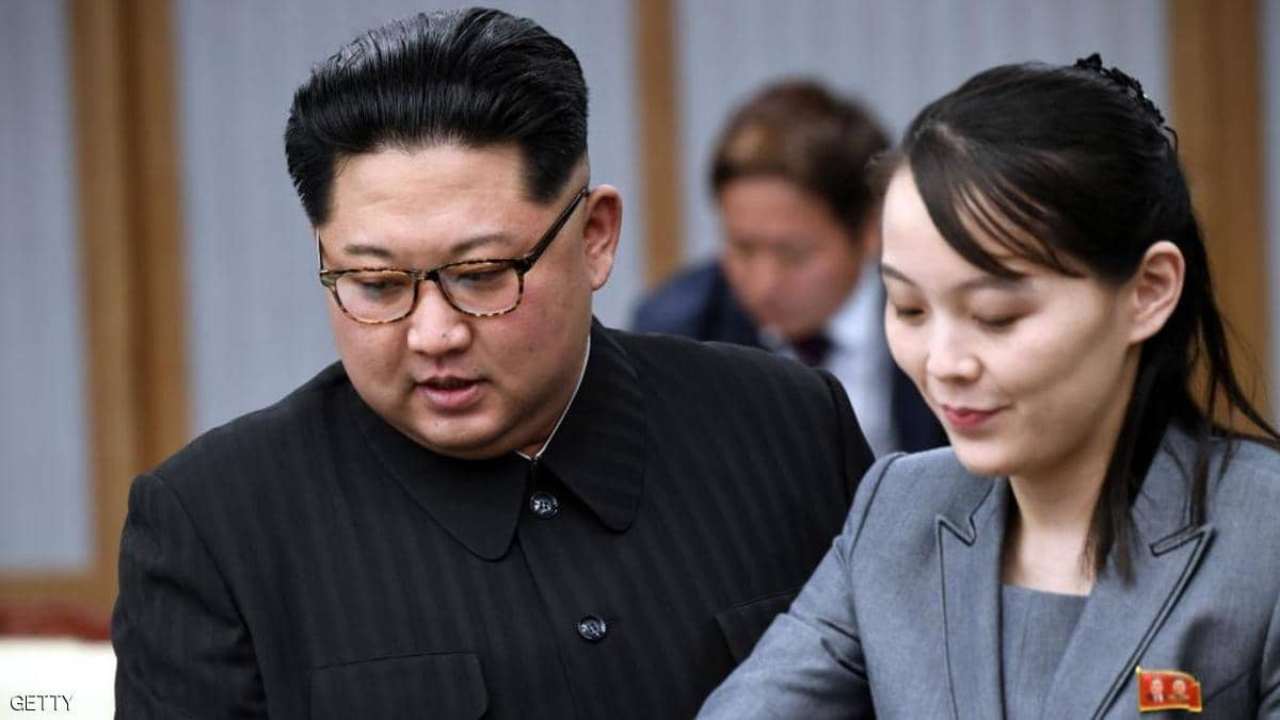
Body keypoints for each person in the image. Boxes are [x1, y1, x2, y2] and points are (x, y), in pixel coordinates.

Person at [110, 8, 875, 719]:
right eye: (376, 284)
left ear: (596, 237)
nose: (432, 333)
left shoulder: (790, 429)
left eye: (480, 275)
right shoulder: (216, 527)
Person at [699, 55, 1280, 719]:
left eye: (996, 316)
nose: (944, 362)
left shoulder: (1262, 534)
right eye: (909, 309)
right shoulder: (899, 511)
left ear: (1148, 291)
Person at [633, 80, 945, 456]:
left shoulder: (941, 317)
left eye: (793, 254)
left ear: (869, 230)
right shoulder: (680, 334)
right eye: (743, 249)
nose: (763, 285)